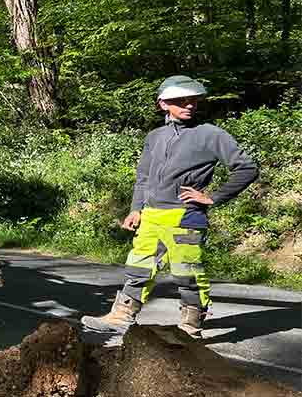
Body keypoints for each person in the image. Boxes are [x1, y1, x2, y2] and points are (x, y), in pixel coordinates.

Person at [81, 75, 259, 337]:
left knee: (186, 272)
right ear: (163, 103)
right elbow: (143, 177)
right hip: (151, 215)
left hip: (185, 216)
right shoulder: (154, 137)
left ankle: (190, 325)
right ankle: (121, 316)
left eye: (192, 101)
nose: (189, 105)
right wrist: (135, 208)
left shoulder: (210, 134)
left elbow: (247, 168)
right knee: (138, 267)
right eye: (180, 101)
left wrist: (213, 197)